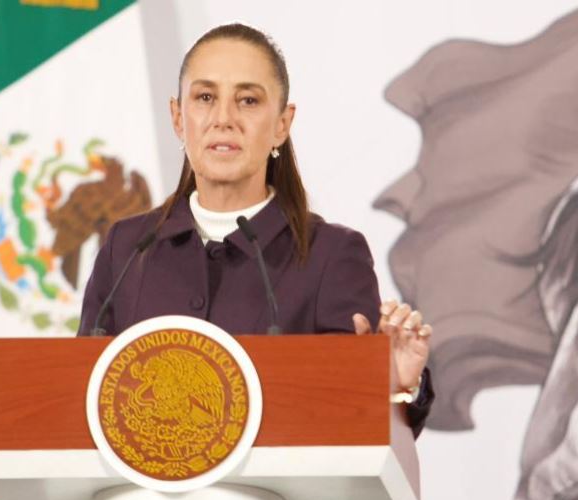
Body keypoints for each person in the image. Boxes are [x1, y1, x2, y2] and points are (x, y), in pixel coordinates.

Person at [77, 23, 434, 435]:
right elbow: (81, 399)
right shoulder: (127, 249)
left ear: (282, 124)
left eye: (248, 100)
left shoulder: (332, 255)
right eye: (205, 97)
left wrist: (395, 386)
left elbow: (356, 427)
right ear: (177, 117)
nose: (223, 119)